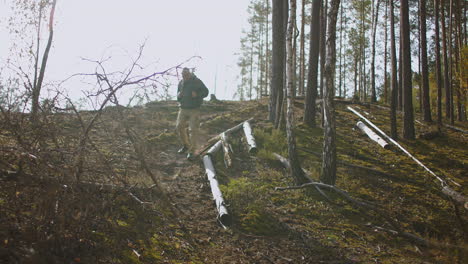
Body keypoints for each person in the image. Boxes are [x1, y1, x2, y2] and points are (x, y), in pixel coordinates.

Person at [176, 68, 209, 160]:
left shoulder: (197, 81)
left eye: (186, 75)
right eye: (183, 75)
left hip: (194, 109)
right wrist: (179, 96)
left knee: (193, 130)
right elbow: (178, 96)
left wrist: (197, 94)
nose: (184, 77)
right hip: (183, 108)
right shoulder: (181, 83)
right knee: (179, 126)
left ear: (189, 74)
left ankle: (192, 151)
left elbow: (206, 92)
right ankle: (186, 145)